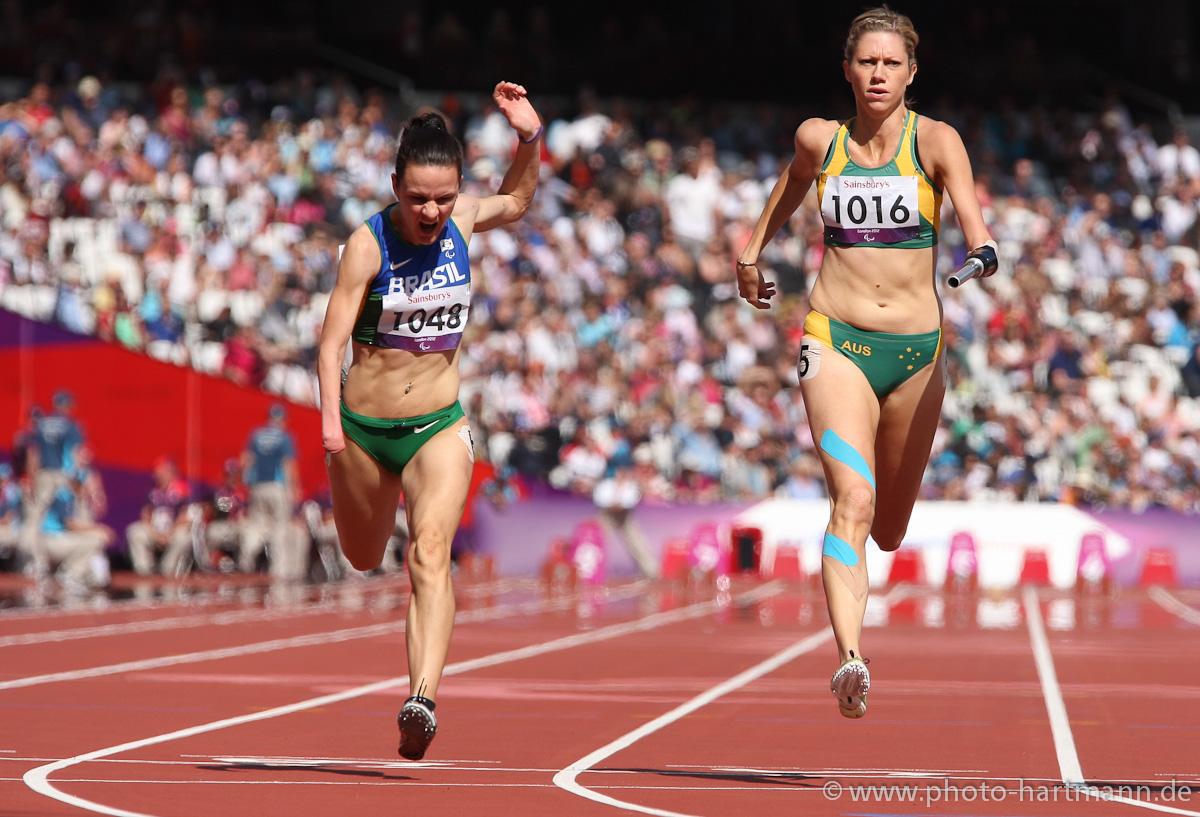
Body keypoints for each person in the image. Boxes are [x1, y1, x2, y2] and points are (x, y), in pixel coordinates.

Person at [736, 7, 995, 719]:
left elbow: (974, 218)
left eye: (891, 64)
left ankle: (857, 628)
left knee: (887, 528)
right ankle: (850, 657)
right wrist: (750, 252)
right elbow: (791, 184)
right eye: (866, 62)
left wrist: (981, 251)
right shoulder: (820, 140)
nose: (878, 75)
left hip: (916, 355)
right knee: (851, 500)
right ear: (847, 70)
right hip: (836, 338)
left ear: (912, 72)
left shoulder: (935, 141)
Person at [317, 81, 542, 760]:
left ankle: (422, 695)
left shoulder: (465, 221)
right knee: (362, 555)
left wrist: (530, 139)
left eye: (443, 196)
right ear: (395, 185)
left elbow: (521, 198)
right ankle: (418, 685)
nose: (433, 210)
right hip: (361, 429)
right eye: (418, 197)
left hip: (438, 425)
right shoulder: (367, 244)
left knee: (430, 550)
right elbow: (329, 344)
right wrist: (331, 424)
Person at [240, 404, 301, 577]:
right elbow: (289, 464)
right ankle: (279, 570)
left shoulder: (256, 434)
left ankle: (246, 561)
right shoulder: (284, 437)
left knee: (256, 526)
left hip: (257, 486)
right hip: (277, 486)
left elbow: (246, 460)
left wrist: (247, 484)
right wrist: (295, 487)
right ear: (283, 419)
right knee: (279, 528)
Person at [126, 457, 192, 576]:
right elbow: (145, 514)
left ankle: (168, 569)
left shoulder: (182, 489)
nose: (156, 475)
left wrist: (170, 532)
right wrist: (154, 534)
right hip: (154, 531)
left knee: (184, 537)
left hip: (173, 530)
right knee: (134, 531)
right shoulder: (153, 491)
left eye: (160, 471)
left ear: (170, 472)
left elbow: (185, 516)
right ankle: (144, 570)